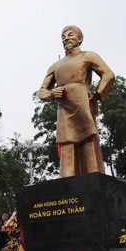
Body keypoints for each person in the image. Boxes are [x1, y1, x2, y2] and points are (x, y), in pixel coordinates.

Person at [38, 25, 115, 177]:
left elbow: (108, 74)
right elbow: (42, 91)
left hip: (82, 101)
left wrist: (98, 94)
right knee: (66, 141)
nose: (66, 38)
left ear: (79, 38)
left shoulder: (88, 56)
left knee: (87, 138)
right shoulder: (55, 66)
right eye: (63, 36)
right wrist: (52, 94)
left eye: (70, 35)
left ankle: (93, 174)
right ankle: (67, 177)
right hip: (64, 106)